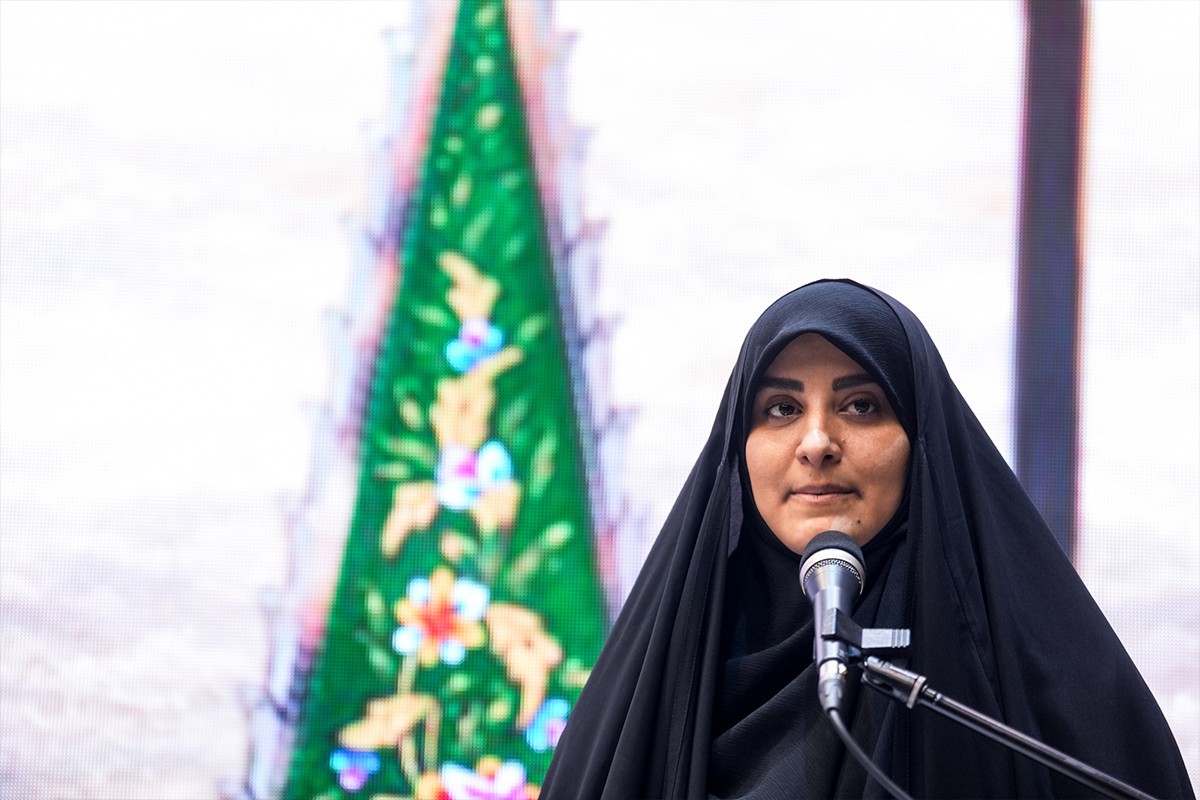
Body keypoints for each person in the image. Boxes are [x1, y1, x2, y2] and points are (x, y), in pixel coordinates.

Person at [541, 279, 1194, 799]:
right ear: (738, 449)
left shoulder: (1053, 692)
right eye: (781, 409)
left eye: (861, 406)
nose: (817, 443)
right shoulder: (648, 690)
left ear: (923, 439)